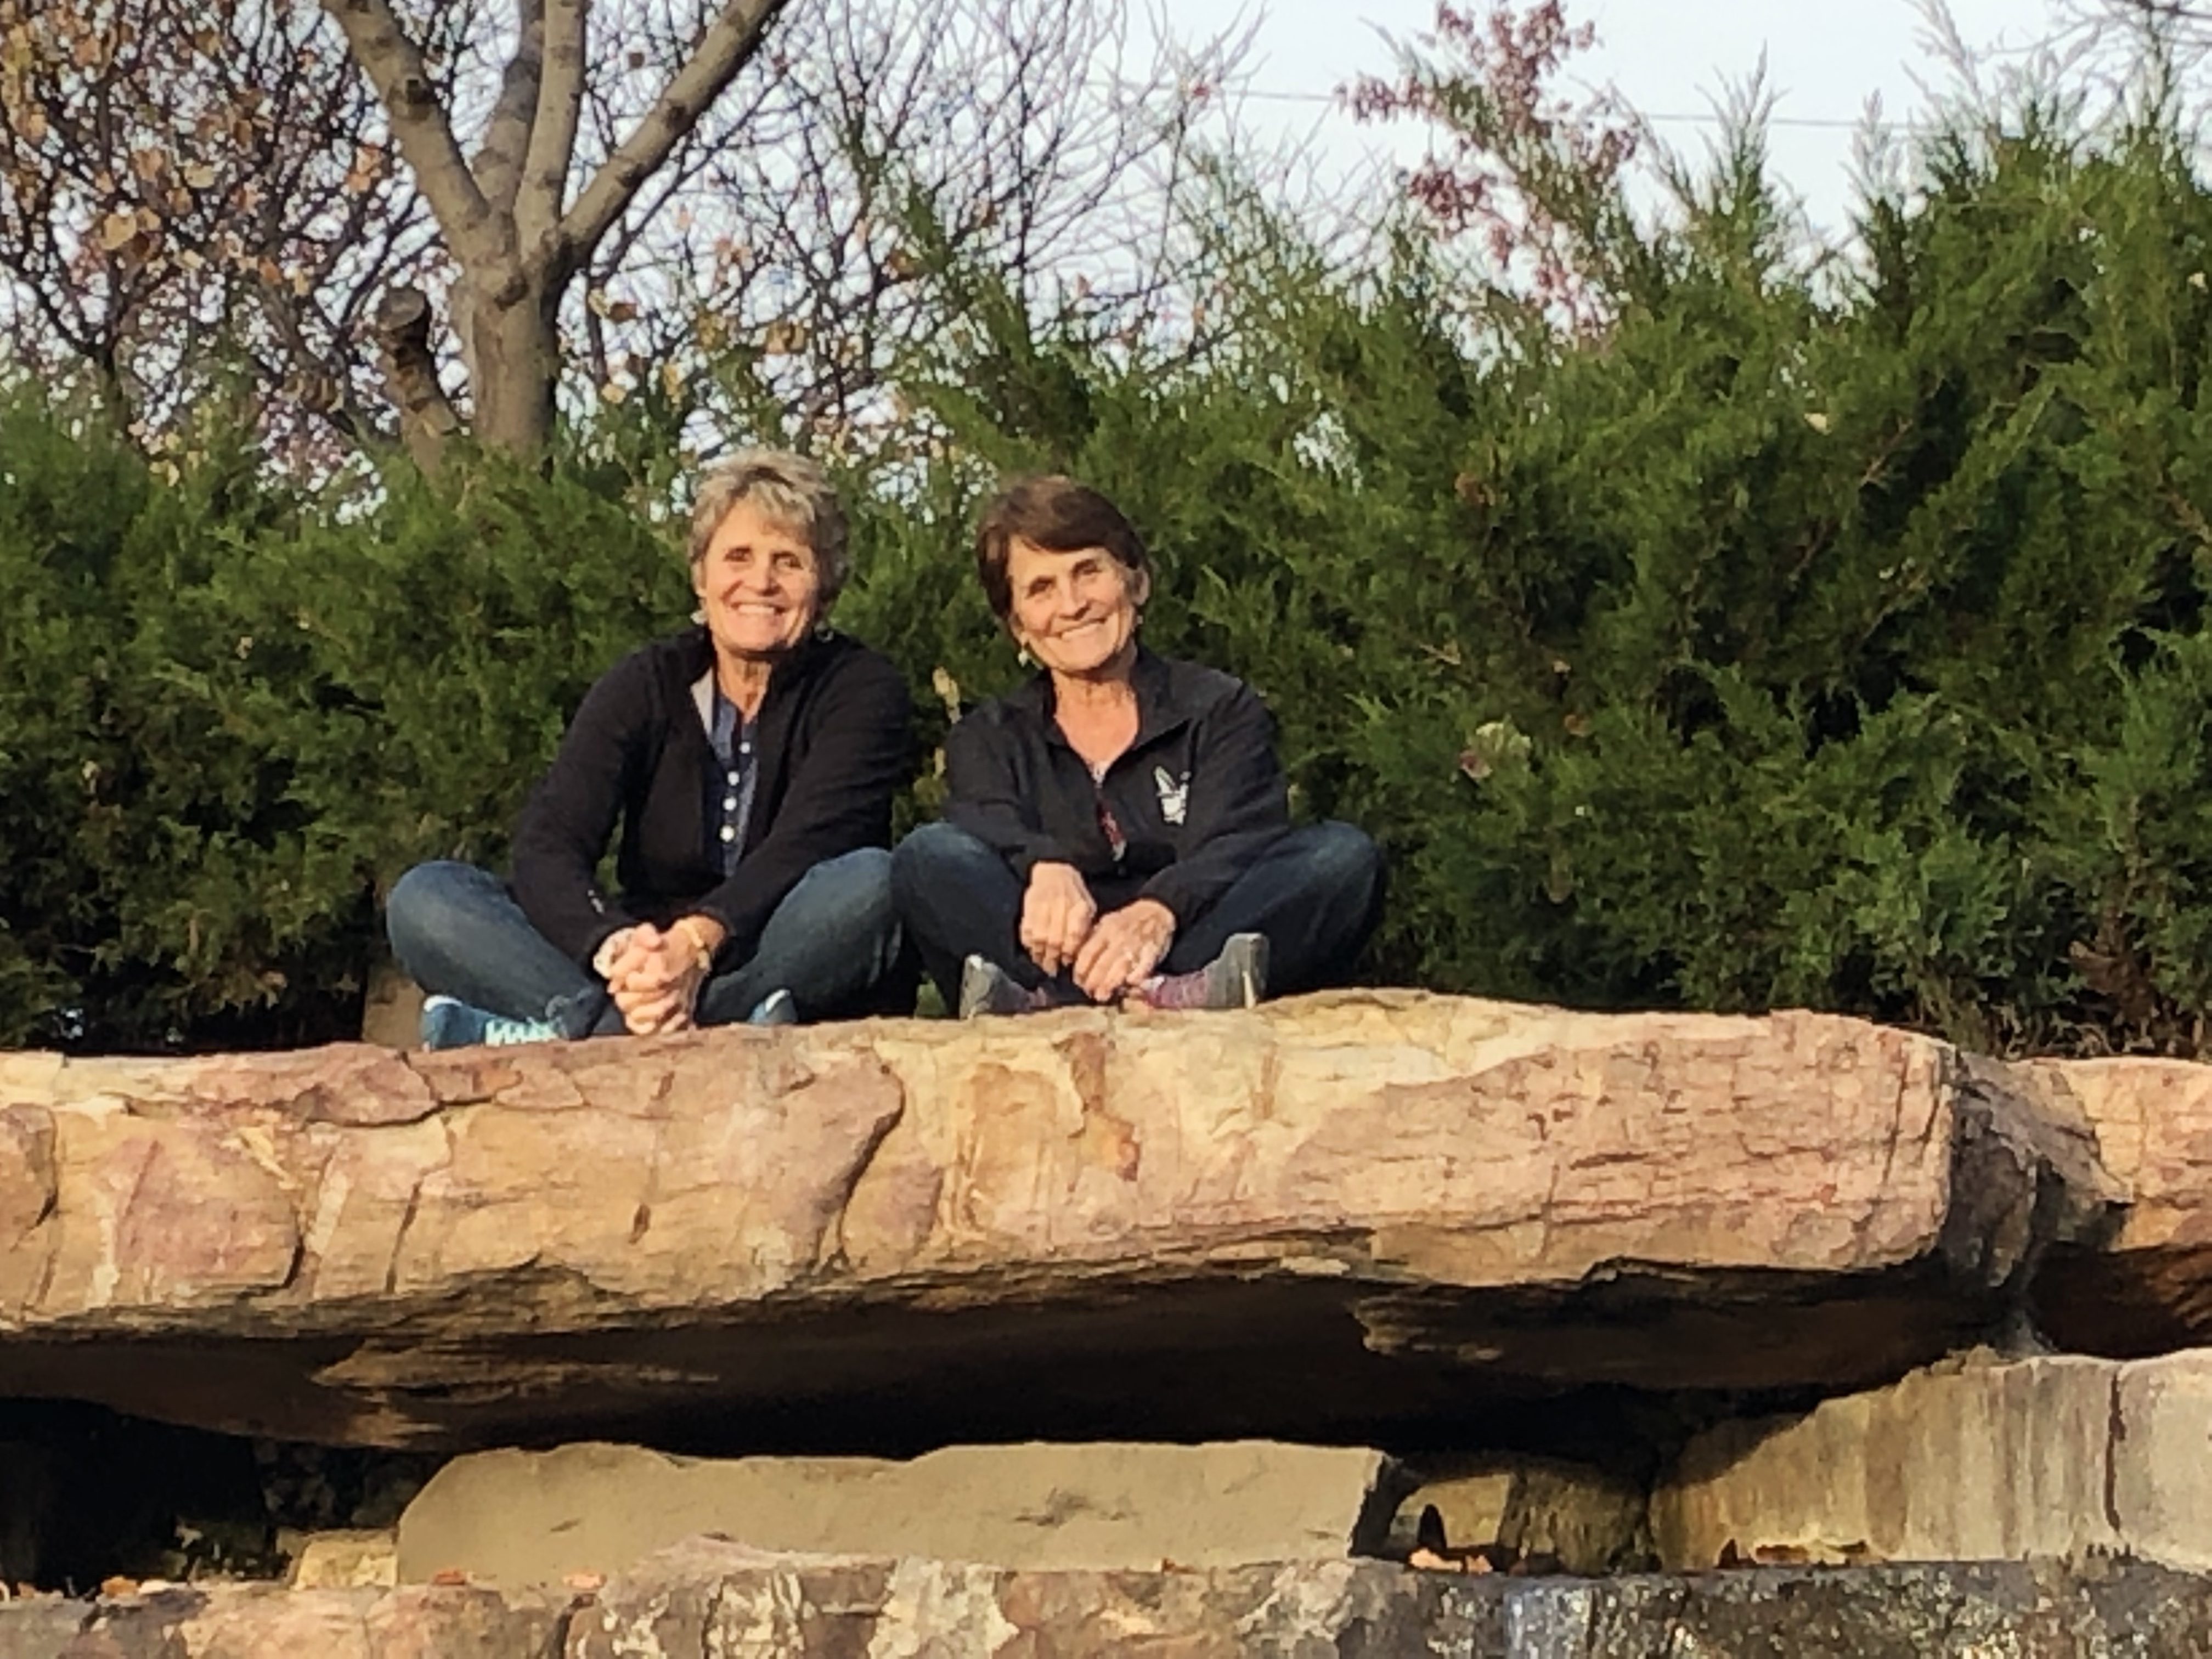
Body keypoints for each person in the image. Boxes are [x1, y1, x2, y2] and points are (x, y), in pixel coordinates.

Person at [386, 449, 913, 1046]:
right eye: (738, 557)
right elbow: (551, 841)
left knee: (874, 884)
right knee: (428, 898)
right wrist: (613, 948)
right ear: (701, 577)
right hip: (643, 954)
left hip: (772, 949)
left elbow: (810, 842)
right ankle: (624, 1019)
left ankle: (590, 1031)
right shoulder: (647, 681)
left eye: (788, 562)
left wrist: (698, 942)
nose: (761, 582)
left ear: (825, 585)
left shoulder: (864, 688)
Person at [892, 474, 1382, 1017]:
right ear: (1018, 627)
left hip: (1192, 939)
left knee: (1340, 857)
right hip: (1048, 959)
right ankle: (1078, 998)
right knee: (928, 856)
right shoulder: (989, 735)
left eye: (1088, 571)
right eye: (1041, 589)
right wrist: (1045, 867)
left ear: (1137, 582)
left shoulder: (1219, 707)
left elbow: (1234, 842)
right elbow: (987, 821)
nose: (1072, 604)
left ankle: (1167, 990)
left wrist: (1158, 910)